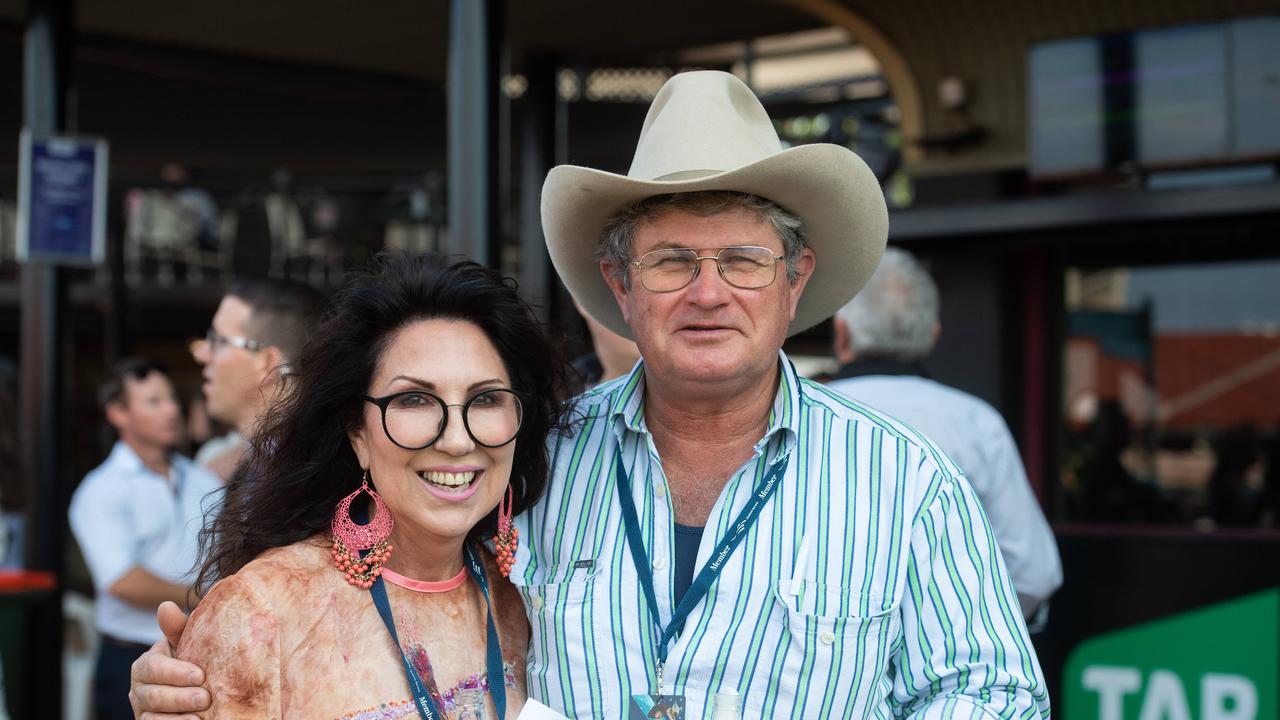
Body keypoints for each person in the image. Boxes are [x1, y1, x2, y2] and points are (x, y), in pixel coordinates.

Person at [132, 71, 1048, 718]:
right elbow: (390, 593)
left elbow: (997, 692)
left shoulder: (906, 483)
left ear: (796, 279)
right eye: (670, 260)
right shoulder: (533, 458)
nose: (707, 291)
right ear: (619, 286)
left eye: (741, 258)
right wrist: (208, 675)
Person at [154, 252, 570, 718]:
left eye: (486, 399)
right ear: (357, 434)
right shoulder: (261, 612)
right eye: (414, 399)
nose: (457, 439)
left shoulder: (519, 603)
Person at [827, 247, 1063, 623]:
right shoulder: (977, 424)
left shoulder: (790, 417)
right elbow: (1033, 574)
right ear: (933, 335)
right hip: (945, 669)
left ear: (842, 333)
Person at [69, 358, 224, 720]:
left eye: (171, 398)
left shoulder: (202, 479)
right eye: (154, 401)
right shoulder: (100, 489)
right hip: (130, 657)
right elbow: (122, 582)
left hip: (204, 651)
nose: (172, 409)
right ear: (118, 414)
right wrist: (205, 596)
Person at [190, 277, 325, 480]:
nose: (202, 355)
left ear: (268, 362)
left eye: (218, 341)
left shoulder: (311, 476)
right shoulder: (251, 468)